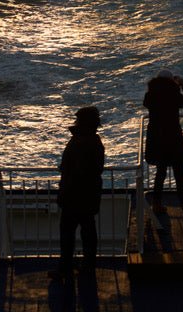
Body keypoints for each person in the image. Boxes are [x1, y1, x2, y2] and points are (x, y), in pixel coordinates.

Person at [50, 106, 105, 280]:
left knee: (67, 233)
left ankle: (65, 268)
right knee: (88, 232)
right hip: (89, 195)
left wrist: (66, 172)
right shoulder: (95, 141)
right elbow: (96, 169)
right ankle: (88, 267)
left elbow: (75, 168)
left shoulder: (79, 141)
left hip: (73, 195)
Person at [143, 69, 183, 223]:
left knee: (160, 173)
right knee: (179, 176)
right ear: (171, 81)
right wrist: (182, 84)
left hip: (157, 140)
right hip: (173, 139)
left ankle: (156, 204)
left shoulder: (150, 96)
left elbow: (147, 102)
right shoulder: (174, 95)